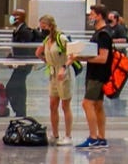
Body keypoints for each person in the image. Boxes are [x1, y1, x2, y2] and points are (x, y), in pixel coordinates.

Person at [77, 10, 119, 149]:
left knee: (87, 103)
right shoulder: (99, 33)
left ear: (100, 16)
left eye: (92, 14)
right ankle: (101, 137)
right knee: (97, 105)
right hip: (95, 74)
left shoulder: (103, 35)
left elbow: (103, 58)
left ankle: (93, 137)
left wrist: (83, 58)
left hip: (98, 75)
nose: (90, 17)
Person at [38, 15, 75, 141]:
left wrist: (64, 67)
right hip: (53, 73)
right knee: (53, 104)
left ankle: (68, 135)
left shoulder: (61, 38)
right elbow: (39, 52)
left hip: (63, 73)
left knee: (65, 105)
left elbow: (72, 55)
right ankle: (55, 134)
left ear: (50, 26)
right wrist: (44, 58)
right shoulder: (46, 40)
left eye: (43, 26)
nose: (41, 29)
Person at [6, 8, 40, 119]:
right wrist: (11, 58)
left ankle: (20, 111)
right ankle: (20, 112)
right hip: (19, 64)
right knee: (18, 87)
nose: (11, 17)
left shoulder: (25, 31)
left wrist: (18, 60)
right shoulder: (17, 30)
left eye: (14, 15)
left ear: (19, 18)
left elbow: (27, 49)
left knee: (12, 87)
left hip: (23, 65)